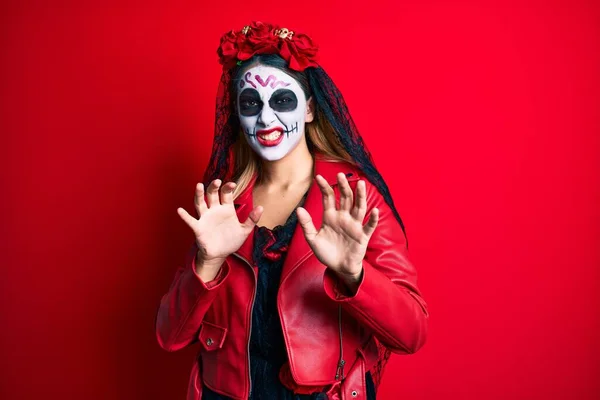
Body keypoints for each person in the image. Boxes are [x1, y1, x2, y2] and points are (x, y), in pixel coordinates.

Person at [156, 21, 429, 400]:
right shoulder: (226, 203)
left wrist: (355, 276)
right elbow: (171, 337)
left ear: (310, 109)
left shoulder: (353, 196)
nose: (266, 119)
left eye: (282, 100)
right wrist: (206, 263)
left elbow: (411, 333)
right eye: (251, 104)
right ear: (237, 115)